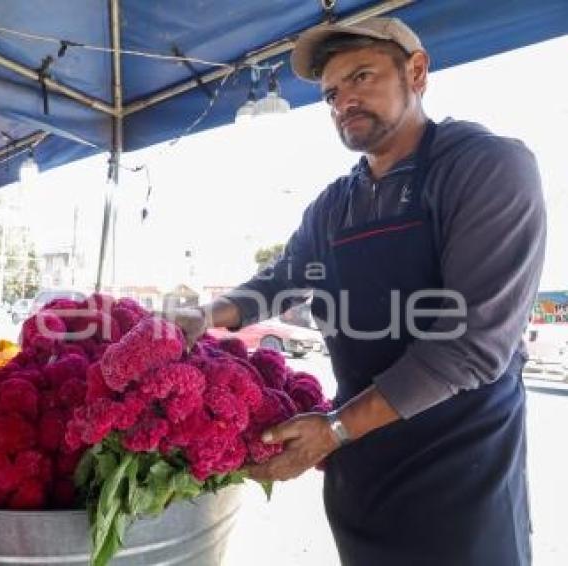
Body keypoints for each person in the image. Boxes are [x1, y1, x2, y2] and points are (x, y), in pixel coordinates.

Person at [169, 17, 545, 566]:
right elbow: (281, 281)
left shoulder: (485, 168)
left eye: (361, 76)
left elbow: (472, 342)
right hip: (363, 474)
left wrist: (336, 429)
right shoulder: (333, 204)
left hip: (463, 476)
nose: (344, 100)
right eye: (331, 94)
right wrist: (204, 315)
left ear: (417, 72)